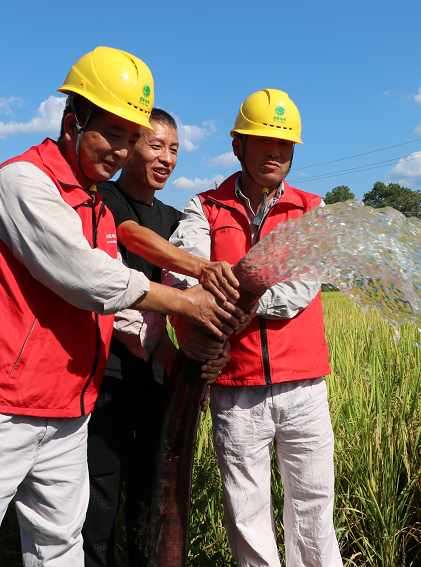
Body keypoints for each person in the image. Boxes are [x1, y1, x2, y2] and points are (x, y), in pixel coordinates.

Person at [0, 47, 244, 567]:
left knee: (59, 549)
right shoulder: (23, 183)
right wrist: (187, 300)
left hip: (68, 408)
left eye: (131, 137)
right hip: (0, 406)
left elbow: (123, 313)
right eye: (111, 133)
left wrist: (182, 361)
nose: (121, 149)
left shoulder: (92, 204)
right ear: (72, 122)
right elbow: (87, 277)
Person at [164, 89, 342, 567]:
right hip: (234, 387)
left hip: (303, 385)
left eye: (285, 145)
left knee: (314, 507)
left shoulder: (311, 209)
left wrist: (243, 294)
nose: (275, 153)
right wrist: (213, 290)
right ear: (237, 144)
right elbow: (184, 275)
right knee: (246, 512)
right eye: (263, 141)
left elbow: (302, 287)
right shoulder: (205, 208)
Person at [81, 108, 233, 567]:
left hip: (158, 379)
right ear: (128, 149)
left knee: (152, 497)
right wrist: (170, 352)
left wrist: (206, 353)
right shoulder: (102, 201)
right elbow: (129, 246)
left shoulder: (173, 216)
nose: (166, 158)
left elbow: (191, 294)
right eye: (154, 145)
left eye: (174, 149)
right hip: (106, 376)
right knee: (98, 498)